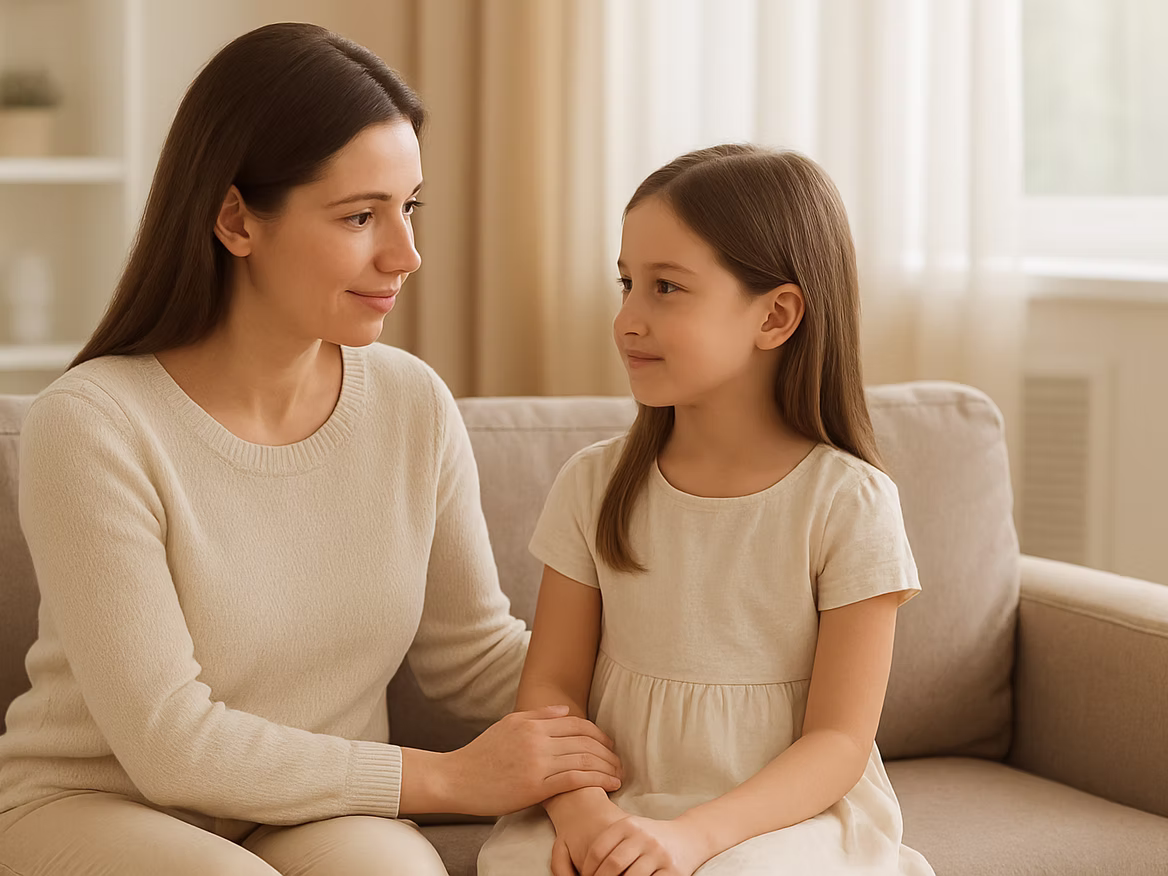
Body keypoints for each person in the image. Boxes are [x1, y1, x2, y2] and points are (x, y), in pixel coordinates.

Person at [0, 22, 622, 876]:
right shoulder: (92, 424)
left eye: (409, 207)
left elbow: (472, 660)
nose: (406, 254)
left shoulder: (412, 404)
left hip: (311, 809)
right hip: (97, 804)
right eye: (360, 215)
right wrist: (448, 780)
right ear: (234, 220)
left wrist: (697, 684)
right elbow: (172, 746)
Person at [477, 144, 936, 875]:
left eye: (666, 288)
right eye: (626, 283)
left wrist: (692, 837)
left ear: (776, 316)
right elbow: (551, 694)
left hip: (781, 819)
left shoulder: (848, 504)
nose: (627, 319)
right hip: (614, 804)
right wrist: (590, 820)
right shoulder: (592, 485)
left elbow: (839, 743)